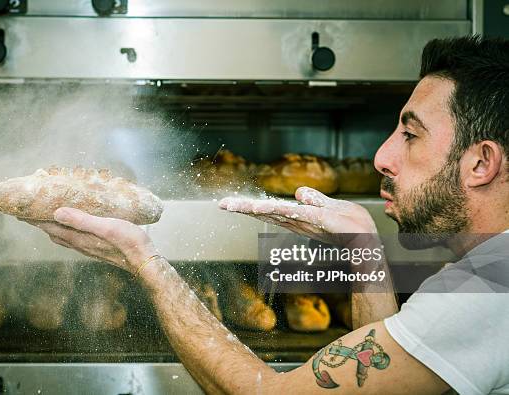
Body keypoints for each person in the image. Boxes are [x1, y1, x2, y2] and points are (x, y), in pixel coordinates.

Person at [27, 36, 509, 394]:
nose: (382, 157)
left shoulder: (486, 293)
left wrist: (147, 264)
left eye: (410, 135)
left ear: (481, 163)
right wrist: (361, 245)